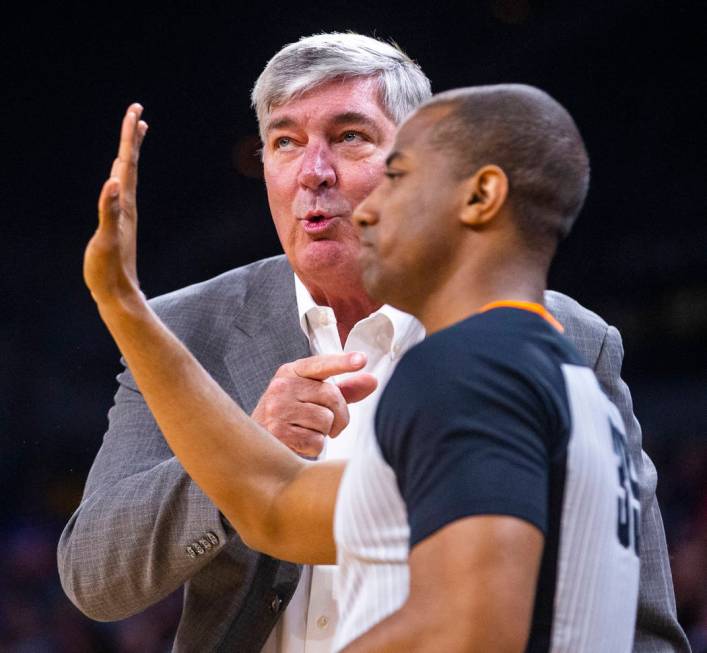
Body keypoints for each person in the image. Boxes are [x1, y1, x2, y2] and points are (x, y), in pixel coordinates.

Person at [59, 33, 688, 652]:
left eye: (398, 167)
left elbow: (478, 627)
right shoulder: (533, 366)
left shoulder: (481, 367)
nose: (323, 181)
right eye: (284, 142)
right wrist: (124, 306)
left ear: (476, 193)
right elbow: (276, 507)